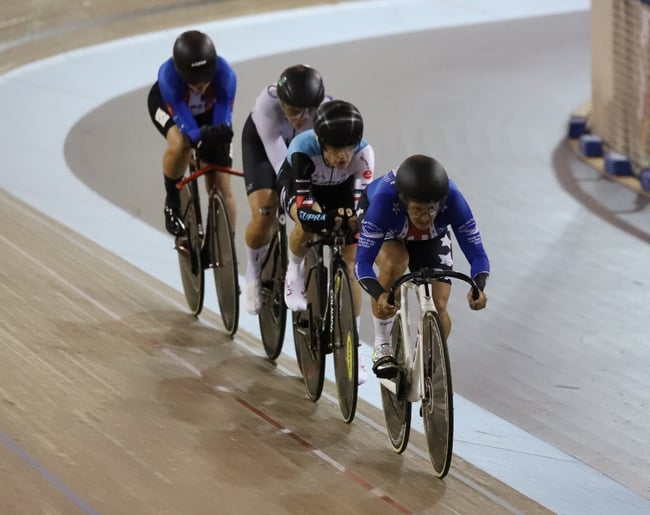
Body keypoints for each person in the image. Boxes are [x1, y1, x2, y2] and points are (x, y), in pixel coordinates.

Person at [354, 154, 489, 379]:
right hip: (389, 228)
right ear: (404, 201)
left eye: (431, 209)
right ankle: (383, 343)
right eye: (417, 210)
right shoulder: (385, 201)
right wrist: (379, 294)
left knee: (439, 304)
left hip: (432, 237)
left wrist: (479, 285)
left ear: (441, 202)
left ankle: (427, 363)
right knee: (396, 261)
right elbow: (362, 263)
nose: (425, 217)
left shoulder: (454, 200)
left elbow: (477, 253)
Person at [277, 100, 374, 384]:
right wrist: (325, 218)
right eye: (336, 149)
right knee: (306, 226)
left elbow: (362, 205)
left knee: (352, 255)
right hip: (302, 190)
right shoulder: (302, 150)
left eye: (349, 148)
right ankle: (293, 272)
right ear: (322, 142)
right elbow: (307, 210)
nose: (344, 156)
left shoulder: (364, 154)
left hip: (342, 192)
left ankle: (354, 349)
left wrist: (350, 219)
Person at [241, 64, 329, 315]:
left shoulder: (325, 111)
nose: (300, 118)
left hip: (302, 151)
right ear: (281, 101)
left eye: (307, 111)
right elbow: (282, 165)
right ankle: (252, 273)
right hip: (264, 146)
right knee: (264, 212)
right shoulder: (265, 106)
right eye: (292, 110)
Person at [147, 30, 237, 236]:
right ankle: (172, 201)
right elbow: (186, 124)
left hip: (208, 112)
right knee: (181, 144)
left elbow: (222, 121)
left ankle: (226, 248)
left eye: (206, 80)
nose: (201, 85)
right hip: (169, 106)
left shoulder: (226, 75)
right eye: (194, 81)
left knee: (223, 185)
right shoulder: (168, 76)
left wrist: (216, 138)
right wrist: (197, 139)